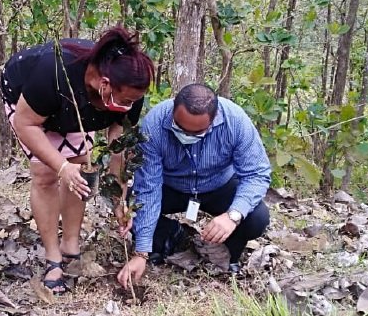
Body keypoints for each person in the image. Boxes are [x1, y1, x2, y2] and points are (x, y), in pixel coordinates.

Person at [0, 27, 155, 294]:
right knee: (45, 174)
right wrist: (61, 166)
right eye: (127, 100)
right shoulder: (54, 73)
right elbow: (26, 124)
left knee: (82, 168)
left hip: (80, 110)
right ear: (104, 84)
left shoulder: (129, 97)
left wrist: (120, 200)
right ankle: (53, 259)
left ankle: (70, 246)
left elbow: (118, 149)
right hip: (31, 104)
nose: (131, 105)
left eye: (135, 101)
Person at [116, 84, 271, 288]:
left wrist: (233, 215)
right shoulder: (154, 124)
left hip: (218, 185)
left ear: (214, 120)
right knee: (131, 210)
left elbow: (257, 173)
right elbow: (148, 187)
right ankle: (171, 236)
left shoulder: (235, 120)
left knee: (256, 217)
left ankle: (229, 251)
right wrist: (141, 253)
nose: (186, 134)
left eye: (196, 132)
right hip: (171, 187)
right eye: (180, 127)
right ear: (173, 111)